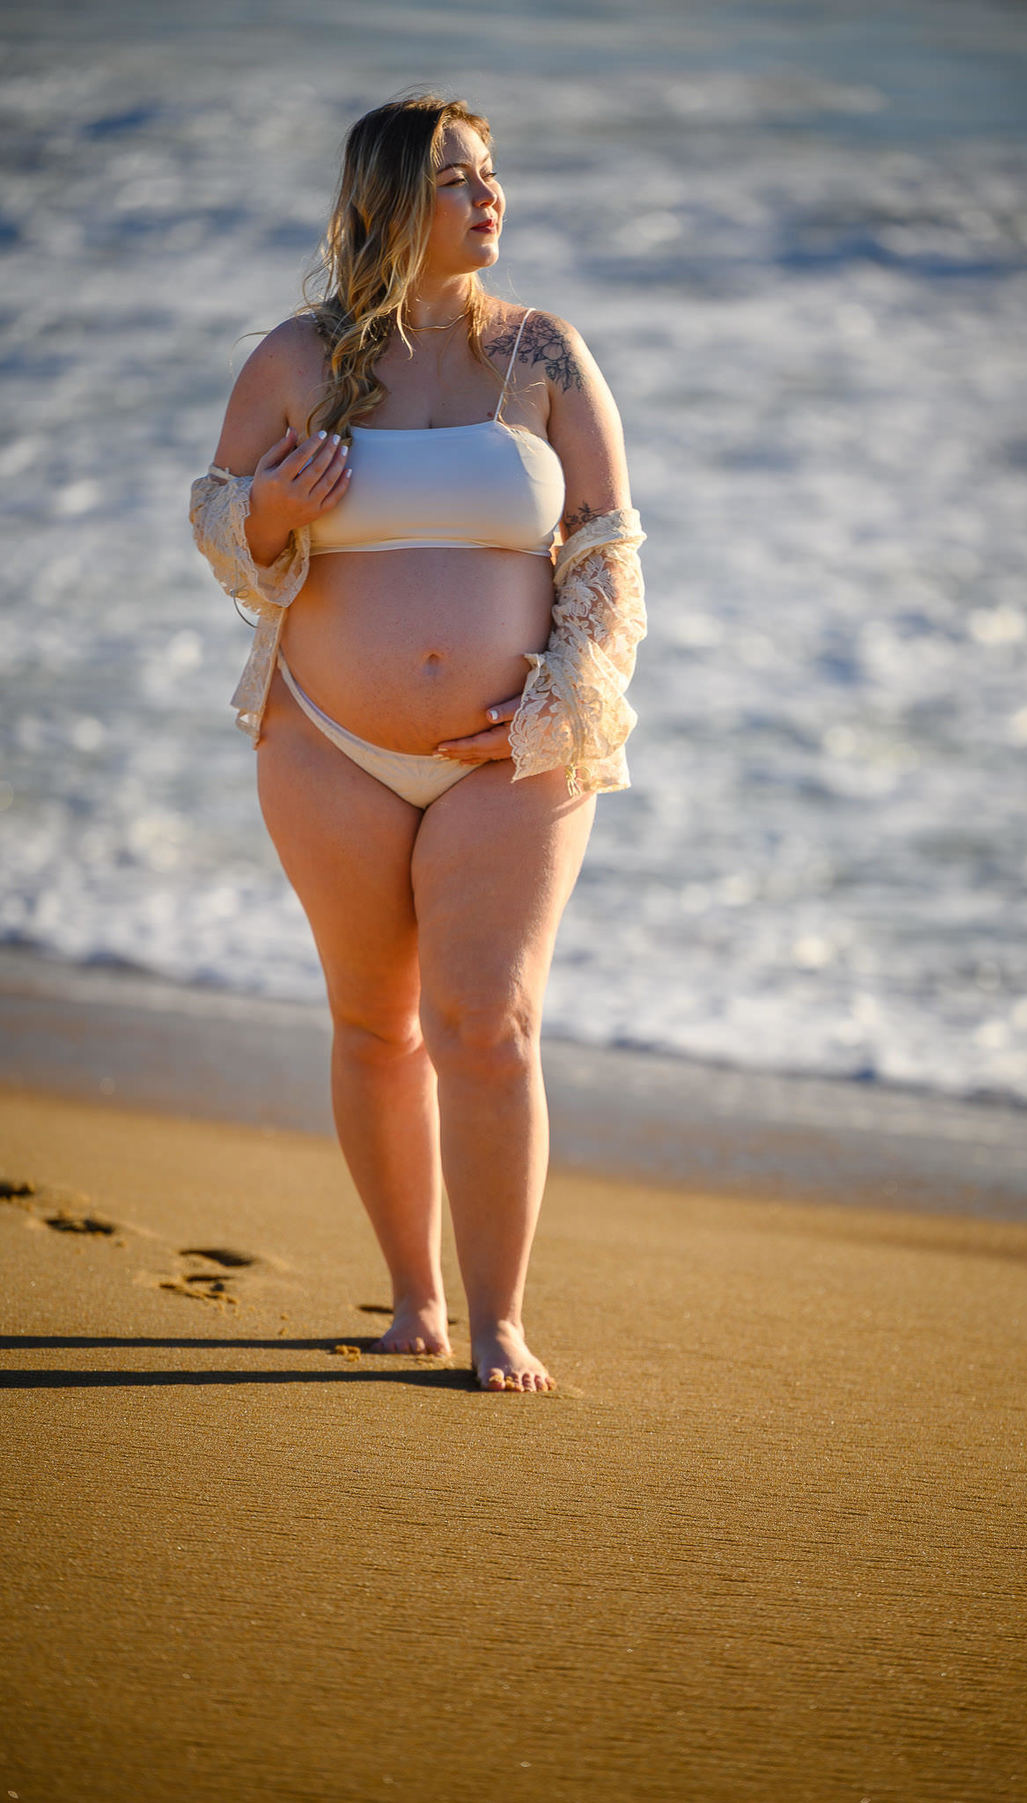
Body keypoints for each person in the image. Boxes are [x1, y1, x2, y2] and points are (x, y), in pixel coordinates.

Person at [189, 93, 646, 1393]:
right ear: (391, 201)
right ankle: (413, 1299)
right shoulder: (299, 359)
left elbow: (609, 544)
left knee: (487, 1023)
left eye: (492, 174)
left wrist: (565, 692)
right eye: (456, 179)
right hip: (329, 742)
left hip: (515, 753)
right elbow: (221, 529)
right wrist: (270, 505)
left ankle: (500, 1318)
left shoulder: (545, 355)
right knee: (375, 1024)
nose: (488, 197)